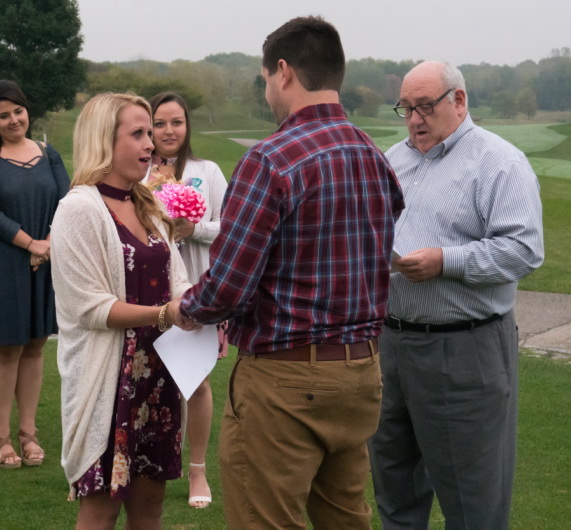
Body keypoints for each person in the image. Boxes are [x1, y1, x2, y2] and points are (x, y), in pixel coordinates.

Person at [169, 16, 405, 528]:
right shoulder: (375, 155)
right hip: (361, 372)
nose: (268, 92)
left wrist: (180, 308)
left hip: (285, 377)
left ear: (284, 72)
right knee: (346, 518)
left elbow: (227, 288)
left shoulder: (271, 159)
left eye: (265, 80)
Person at [368, 61, 544, 530]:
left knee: (473, 502)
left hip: (464, 349)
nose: (414, 119)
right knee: (394, 491)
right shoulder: (393, 160)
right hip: (391, 346)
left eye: (425, 106)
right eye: (406, 108)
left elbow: (523, 250)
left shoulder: (499, 163)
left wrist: (445, 261)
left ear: (459, 101)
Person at [50, 92, 195, 530]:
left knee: (150, 510)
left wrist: (200, 305)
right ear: (103, 140)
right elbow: (90, 308)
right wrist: (166, 314)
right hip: (108, 380)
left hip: (158, 376)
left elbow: (177, 279)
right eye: (138, 134)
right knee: (100, 510)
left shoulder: (148, 204)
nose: (151, 143)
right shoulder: (79, 208)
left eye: (150, 133)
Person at [0, 80, 69, 468]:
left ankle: (29, 433)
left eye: (18, 111)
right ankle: (1, 436)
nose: (13, 120)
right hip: (2, 263)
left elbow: (67, 201)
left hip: (44, 261)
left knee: (36, 344)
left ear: (27, 110)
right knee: (6, 347)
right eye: (3, 115)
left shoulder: (48, 153)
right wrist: (31, 244)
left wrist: (49, 243)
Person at [147, 91, 228, 509]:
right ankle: (153, 464)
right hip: (146, 296)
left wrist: (192, 229)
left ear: (187, 125)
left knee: (195, 383)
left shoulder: (206, 171)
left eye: (176, 122)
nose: (168, 131)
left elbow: (231, 227)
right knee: (148, 383)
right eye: (159, 123)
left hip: (196, 293)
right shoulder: (137, 173)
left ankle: (198, 470)